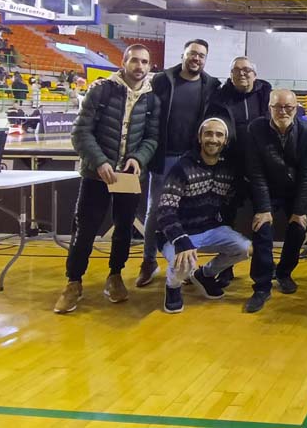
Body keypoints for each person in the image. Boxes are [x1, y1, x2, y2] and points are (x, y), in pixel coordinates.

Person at [53, 45, 160, 314]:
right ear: (123, 62)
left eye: (144, 62)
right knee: (85, 229)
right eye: (134, 60)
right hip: (96, 175)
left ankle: (115, 276)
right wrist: (100, 162)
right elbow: (80, 133)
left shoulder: (152, 100)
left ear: (149, 66)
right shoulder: (100, 90)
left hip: (129, 177)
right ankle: (73, 282)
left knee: (124, 229)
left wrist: (138, 158)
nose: (139, 66)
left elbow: (151, 138)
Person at [137, 39, 222, 287]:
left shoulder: (211, 85)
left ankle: (184, 265)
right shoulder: (162, 80)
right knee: (156, 211)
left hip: (191, 159)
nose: (196, 58)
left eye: (201, 55)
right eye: (192, 53)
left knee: (186, 213)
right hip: (163, 157)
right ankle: (148, 261)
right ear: (183, 55)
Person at [158, 117, 250, 314]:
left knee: (244, 248)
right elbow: (165, 210)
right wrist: (181, 240)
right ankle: (173, 287)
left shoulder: (228, 169)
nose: (213, 139)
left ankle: (205, 274)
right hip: (177, 234)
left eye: (219, 135)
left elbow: (233, 199)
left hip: (209, 228)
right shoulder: (182, 167)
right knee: (185, 263)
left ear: (225, 140)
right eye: (208, 134)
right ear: (199, 138)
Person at [243, 89, 307, 312]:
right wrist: (264, 209)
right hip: (267, 188)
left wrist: (299, 210)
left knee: (298, 229)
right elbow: (255, 171)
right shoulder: (255, 129)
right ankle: (261, 287)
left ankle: (284, 273)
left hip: (294, 190)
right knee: (262, 229)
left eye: (288, 107)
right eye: (277, 107)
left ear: (296, 109)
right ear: (269, 108)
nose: (283, 111)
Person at [207, 55, 271, 286]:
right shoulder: (219, 97)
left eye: (247, 70)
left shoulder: (266, 94)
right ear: (230, 74)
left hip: (260, 167)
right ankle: (225, 268)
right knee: (225, 218)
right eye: (237, 70)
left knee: (263, 217)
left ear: (255, 74)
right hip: (229, 166)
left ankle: (263, 271)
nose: (242, 73)